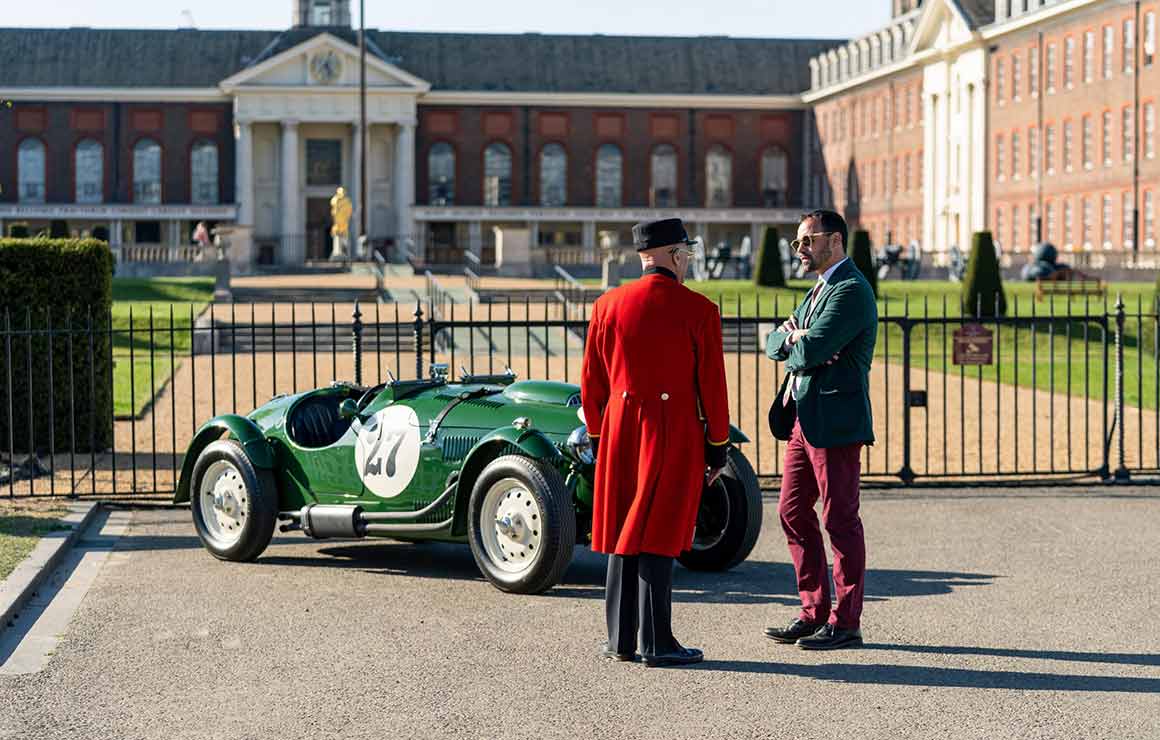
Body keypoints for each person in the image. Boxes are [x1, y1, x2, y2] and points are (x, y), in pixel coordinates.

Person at [581, 217, 731, 667]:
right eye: (685, 254)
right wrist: (718, 444)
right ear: (674, 255)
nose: (688, 261)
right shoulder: (698, 309)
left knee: (627, 525)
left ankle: (621, 638)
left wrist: (597, 433)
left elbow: (592, 382)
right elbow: (713, 387)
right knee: (659, 529)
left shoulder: (608, 304)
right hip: (671, 427)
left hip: (619, 427)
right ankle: (657, 643)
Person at [763, 209, 877, 651]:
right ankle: (813, 612)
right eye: (797, 243)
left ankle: (846, 622)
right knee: (791, 512)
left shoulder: (850, 290)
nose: (800, 250)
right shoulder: (818, 289)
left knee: (840, 520)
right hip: (802, 419)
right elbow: (778, 341)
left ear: (834, 240)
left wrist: (800, 342)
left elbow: (812, 348)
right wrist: (793, 339)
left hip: (836, 422)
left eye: (806, 241)